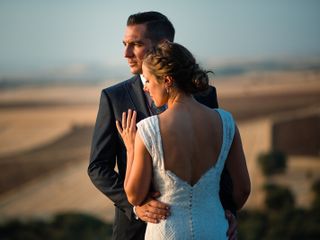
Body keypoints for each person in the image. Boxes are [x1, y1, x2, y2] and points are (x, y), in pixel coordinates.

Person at [88, 11, 238, 240]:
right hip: (134, 230)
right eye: (124, 44)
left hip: (208, 226)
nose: (126, 53)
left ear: (164, 45)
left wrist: (228, 210)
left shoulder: (205, 95)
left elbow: (223, 163)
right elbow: (98, 166)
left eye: (136, 44)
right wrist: (136, 207)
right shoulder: (113, 97)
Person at [116, 41, 251, 239]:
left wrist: (131, 148)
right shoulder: (226, 122)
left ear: (167, 80)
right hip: (214, 229)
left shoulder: (149, 129)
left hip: (167, 232)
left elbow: (134, 196)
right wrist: (226, 212)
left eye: (148, 81)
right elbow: (243, 190)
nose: (145, 88)